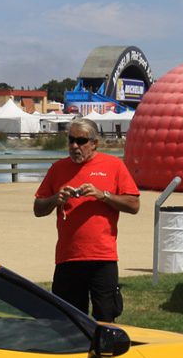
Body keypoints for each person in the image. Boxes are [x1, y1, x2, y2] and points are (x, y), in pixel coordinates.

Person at [32, 116, 140, 321]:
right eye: (71, 140)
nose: (74, 146)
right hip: (68, 258)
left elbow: (134, 205)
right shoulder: (58, 169)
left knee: (105, 319)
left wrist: (103, 195)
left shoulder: (113, 165)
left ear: (94, 143)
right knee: (69, 322)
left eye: (81, 141)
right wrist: (57, 198)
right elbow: (38, 209)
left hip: (102, 258)